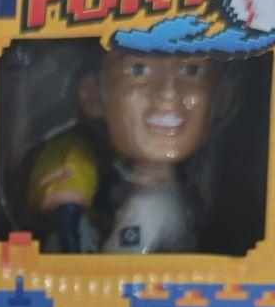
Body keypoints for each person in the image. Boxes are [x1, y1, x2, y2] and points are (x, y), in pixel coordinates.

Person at [30, 48, 219, 254]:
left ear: (219, 97)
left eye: (192, 70)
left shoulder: (149, 207)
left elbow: (115, 267)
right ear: (93, 96)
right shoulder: (150, 195)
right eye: (139, 69)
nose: (168, 92)